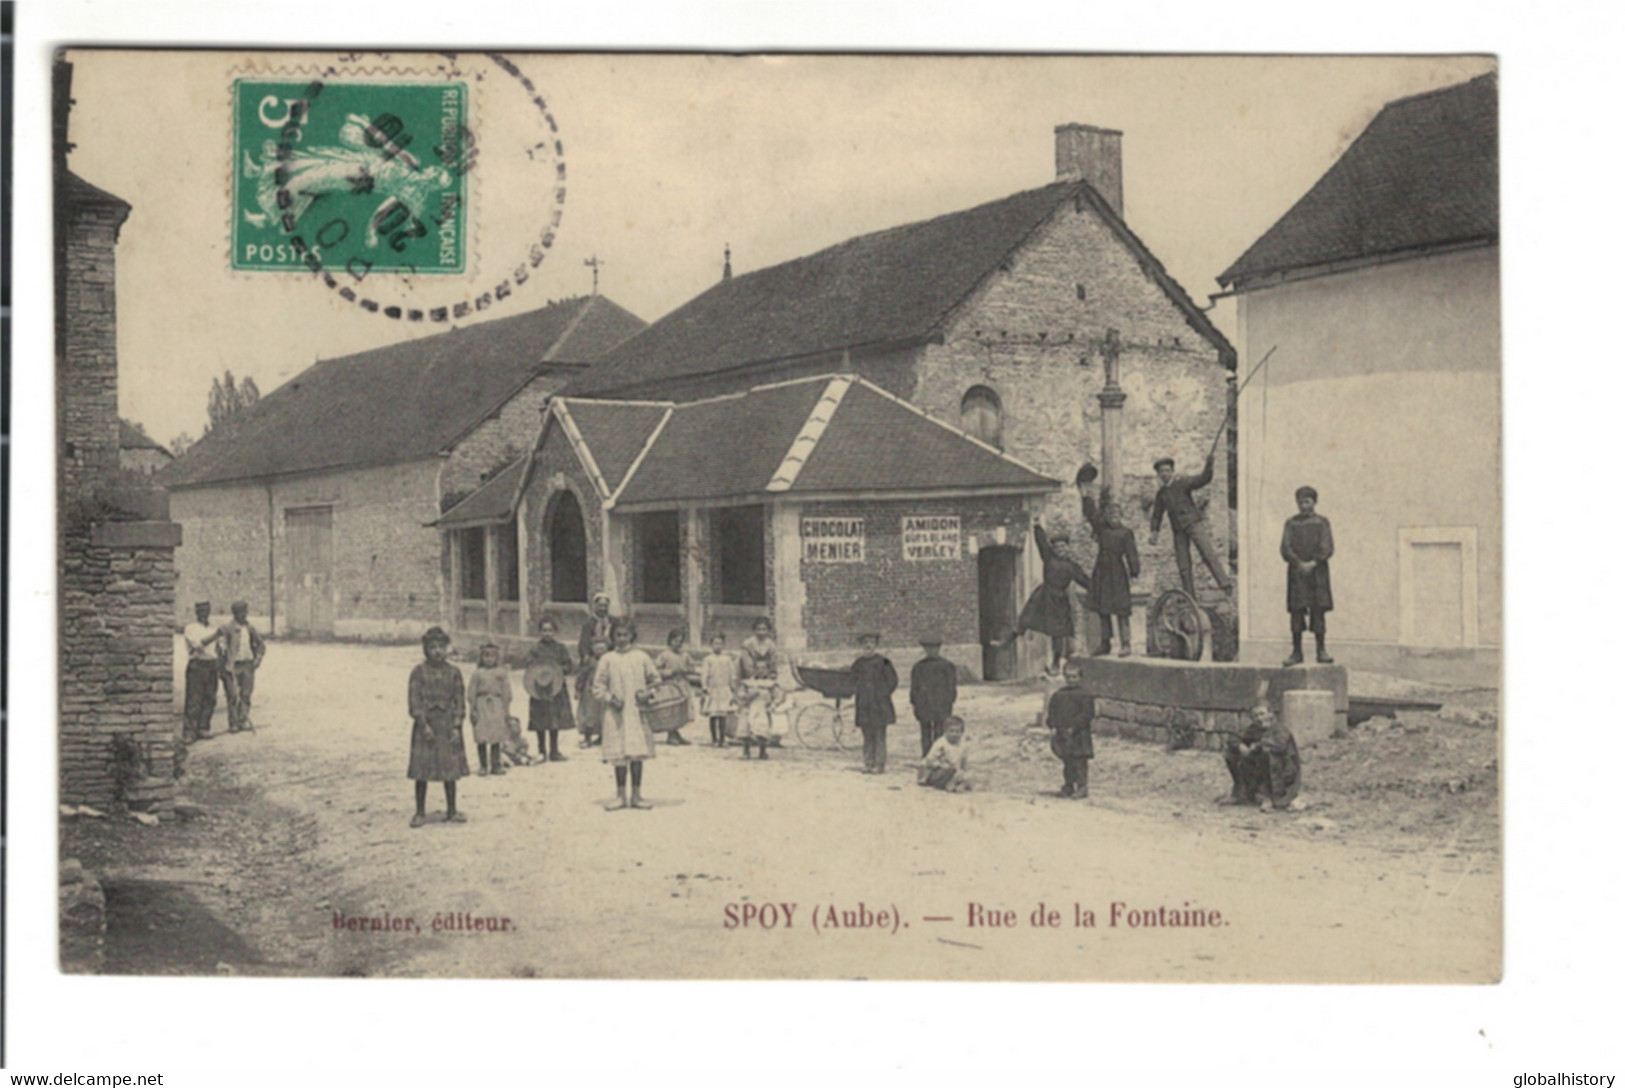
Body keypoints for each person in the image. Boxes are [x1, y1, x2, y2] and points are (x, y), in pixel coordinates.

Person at [593, 619, 661, 811]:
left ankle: (637, 795)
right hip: (616, 714)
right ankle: (621, 795)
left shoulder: (641, 657)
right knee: (619, 754)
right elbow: (597, 687)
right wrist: (609, 698)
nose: (622, 639)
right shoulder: (607, 659)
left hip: (636, 712)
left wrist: (647, 693)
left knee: (636, 754)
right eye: (618, 635)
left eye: (625, 635)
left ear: (632, 636)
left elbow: (656, 680)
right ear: (612, 637)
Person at [1006, 521, 1091, 672]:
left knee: (1057, 634)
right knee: (1027, 616)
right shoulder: (1049, 558)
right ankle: (1008, 639)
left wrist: (1098, 588)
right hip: (1044, 594)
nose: (1060, 550)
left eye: (1063, 547)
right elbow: (1042, 543)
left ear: (1067, 548)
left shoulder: (1072, 567)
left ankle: (1056, 663)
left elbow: (1085, 581)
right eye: (1057, 547)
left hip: (1059, 600)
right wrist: (1038, 526)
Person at [408, 626, 469, 827]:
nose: (437, 651)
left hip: (447, 725)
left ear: (446, 648)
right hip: (425, 725)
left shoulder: (454, 673)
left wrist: (456, 726)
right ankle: (420, 812)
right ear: (425, 649)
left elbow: (460, 700)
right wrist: (422, 723)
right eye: (432, 647)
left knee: (449, 768)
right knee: (421, 769)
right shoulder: (418, 672)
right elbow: (414, 701)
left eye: (441, 647)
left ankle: (452, 810)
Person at [1150, 454, 1233, 596]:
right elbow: (1157, 514)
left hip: (1194, 524)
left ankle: (1225, 584)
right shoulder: (1161, 494)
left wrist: (1209, 465)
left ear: (1172, 471)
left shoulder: (1182, 483)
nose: (1164, 474)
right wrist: (1154, 531)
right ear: (1158, 474)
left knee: (1207, 553)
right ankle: (1190, 596)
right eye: (1161, 471)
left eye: (1167, 470)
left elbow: (1203, 480)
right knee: (1183, 565)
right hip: (1178, 531)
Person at [1281, 485, 1335, 666]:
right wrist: (1299, 563)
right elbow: (1285, 548)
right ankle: (1296, 652)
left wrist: (1313, 563)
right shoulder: (1291, 523)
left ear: (1314, 502)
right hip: (1297, 574)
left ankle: (1321, 650)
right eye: (1300, 502)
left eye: (1307, 501)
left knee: (1318, 611)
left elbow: (1327, 546)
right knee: (1296, 612)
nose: (1303, 506)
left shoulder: (1322, 522)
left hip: (1317, 573)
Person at [1219, 703, 1301, 812]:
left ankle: (1272, 797)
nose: (1259, 718)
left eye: (1262, 714)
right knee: (1231, 753)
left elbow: (1279, 745)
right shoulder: (1254, 729)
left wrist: (1257, 746)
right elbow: (1234, 737)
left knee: (1267, 754)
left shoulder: (1280, 729)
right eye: (1255, 716)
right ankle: (1241, 793)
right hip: (1263, 767)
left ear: (1271, 714)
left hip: (1282, 771)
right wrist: (1240, 746)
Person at [1084, 500, 1141, 657]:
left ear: (1121, 516)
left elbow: (1132, 553)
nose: (1113, 517)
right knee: (1103, 609)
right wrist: (1086, 495)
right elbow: (1091, 515)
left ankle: (1126, 644)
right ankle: (1105, 643)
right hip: (1102, 572)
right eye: (1110, 515)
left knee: (1121, 609)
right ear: (1106, 517)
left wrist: (1134, 571)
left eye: (1116, 514)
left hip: (1117, 573)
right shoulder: (1102, 530)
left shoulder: (1126, 533)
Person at [525, 614, 575, 761]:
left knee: (554, 720)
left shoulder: (560, 648)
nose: (547, 633)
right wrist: (538, 672)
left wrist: (559, 669)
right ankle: (542, 751)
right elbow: (529, 665)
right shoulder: (535, 649)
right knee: (540, 720)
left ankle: (554, 751)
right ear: (540, 632)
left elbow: (569, 665)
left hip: (556, 688)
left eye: (550, 630)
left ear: (554, 632)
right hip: (539, 689)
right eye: (544, 630)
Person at [1045, 657, 1095, 799]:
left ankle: (1082, 787)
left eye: (1074, 677)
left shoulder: (1085, 695)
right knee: (1068, 762)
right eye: (1068, 677)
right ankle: (1068, 785)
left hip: (1079, 735)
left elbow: (1087, 714)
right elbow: (1052, 712)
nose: (1071, 680)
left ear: (1080, 677)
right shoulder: (1058, 695)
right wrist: (1053, 726)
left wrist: (1074, 726)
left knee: (1079, 762)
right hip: (1063, 734)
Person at [851, 632, 898, 774]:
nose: (868, 645)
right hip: (864, 704)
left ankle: (879, 764)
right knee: (867, 735)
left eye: (871, 642)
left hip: (879, 704)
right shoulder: (858, 663)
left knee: (879, 734)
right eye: (865, 642)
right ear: (861, 645)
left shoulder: (884, 662)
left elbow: (892, 681)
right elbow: (852, 680)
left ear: (876, 645)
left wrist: (882, 694)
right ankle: (868, 763)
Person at [736, 617, 781, 760]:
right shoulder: (748, 644)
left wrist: (769, 674)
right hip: (751, 680)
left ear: (768, 630)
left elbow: (773, 663)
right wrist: (754, 676)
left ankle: (763, 750)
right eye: (759, 629)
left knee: (762, 726)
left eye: (764, 629)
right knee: (746, 725)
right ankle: (746, 750)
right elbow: (747, 665)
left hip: (765, 679)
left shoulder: (771, 645)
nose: (761, 632)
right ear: (754, 630)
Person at [219, 600, 266, 733]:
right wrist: (223, 666)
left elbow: (260, 645)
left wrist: (258, 659)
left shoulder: (250, 628)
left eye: (245, 612)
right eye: (240, 613)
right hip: (233, 665)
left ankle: (243, 719)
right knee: (233, 695)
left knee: (246, 694)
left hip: (247, 665)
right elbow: (221, 647)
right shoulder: (227, 628)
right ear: (235, 614)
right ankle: (233, 723)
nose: (243, 615)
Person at [468, 643, 512, 776]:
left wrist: (506, 709)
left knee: (496, 735)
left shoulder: (501, 673)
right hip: (482, 705)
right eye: (486, 656)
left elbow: (506, 692)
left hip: (496, 705)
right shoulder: (477, 674)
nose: (489, 659)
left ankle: (496, 765)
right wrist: (473, 708)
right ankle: (483, 765)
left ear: (497, 658)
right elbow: (472, 692)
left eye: (492, 656)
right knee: (481, 735)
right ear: (481, 657)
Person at [909, 637, 958, 757]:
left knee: (940, 732)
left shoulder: (947, 666)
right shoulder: (918, 667)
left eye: (934, 648)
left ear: (939, 649)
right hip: (924, 705)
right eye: (928, 649)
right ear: (925, 650)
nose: (931, 651)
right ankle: (926, 756)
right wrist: (915, 703)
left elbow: (952, 687)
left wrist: (949, 702)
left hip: (941, 705)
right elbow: (914, 688)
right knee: (925, 732)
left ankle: (939, 755)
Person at [182, 601, 222, 742]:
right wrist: (216, 635)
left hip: (211, 665)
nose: (204, 614)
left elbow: (218, 649)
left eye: (206, 610)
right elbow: (198, 645)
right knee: (195, 699)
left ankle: (203, 728)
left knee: (210, 698)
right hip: (197, 665)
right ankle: (189, 732)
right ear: (197, 612)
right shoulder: (191, 628)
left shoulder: (213, 627)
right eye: (201, 611)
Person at [654, 628, 697, 746]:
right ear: (670, 641)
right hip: (670, 685)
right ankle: (671, 734)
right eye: (675, 641)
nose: (677, 643)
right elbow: (655, 670)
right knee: (671, 709)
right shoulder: (664, 655)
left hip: (682, 684)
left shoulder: (685, 655)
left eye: (680, 641)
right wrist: (668, 672)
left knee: (681, 710)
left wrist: (686, 670)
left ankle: (676, 733)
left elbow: (692, 668)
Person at [699, 631, 739, 748]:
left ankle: (722, 739)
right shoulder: (708, 659)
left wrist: (732, 686)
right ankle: (714, 739)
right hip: (713, 689)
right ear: (711, 645)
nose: (718, 646)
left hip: (724, 689)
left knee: (723, 715)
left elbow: (732, 674)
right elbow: (704, 674)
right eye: (715, 643)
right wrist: (704, 687)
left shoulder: (727, 659)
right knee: (713, 715)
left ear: (723, 645)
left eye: (720, 644)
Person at [917, 715, 972, 792]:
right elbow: (929, 760)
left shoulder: (963, 744)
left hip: (954, 770)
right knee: (948, 770)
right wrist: (940, 765)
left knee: (967, 777)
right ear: (945, 732)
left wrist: (964, 771)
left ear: (962, 732)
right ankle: (949, 784)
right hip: (937, 771)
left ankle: (957, 784)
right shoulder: (941, 743)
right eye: (951, 731)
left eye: (957, 732)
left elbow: (964, 761)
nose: (954, 734)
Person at [576, 634, 610, 747]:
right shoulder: (589, 661)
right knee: (589, 715)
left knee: (603, 715)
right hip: (589, 692)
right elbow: (582, 675)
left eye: (602, 649)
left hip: (604, 690)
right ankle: (587, 737)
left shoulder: (609, 661)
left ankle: (602, 736)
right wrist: (578, 688)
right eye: (597, 649)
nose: (600, 651)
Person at [578, 592, 618, 666]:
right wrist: (586, 656)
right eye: (600, 605)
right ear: (595, 606)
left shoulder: (614, 621)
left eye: (605, 606)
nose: (603, 608)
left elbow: (618, 638)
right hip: (593, 656)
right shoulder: (589, 623)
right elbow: (584, 643)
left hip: (611, 654)